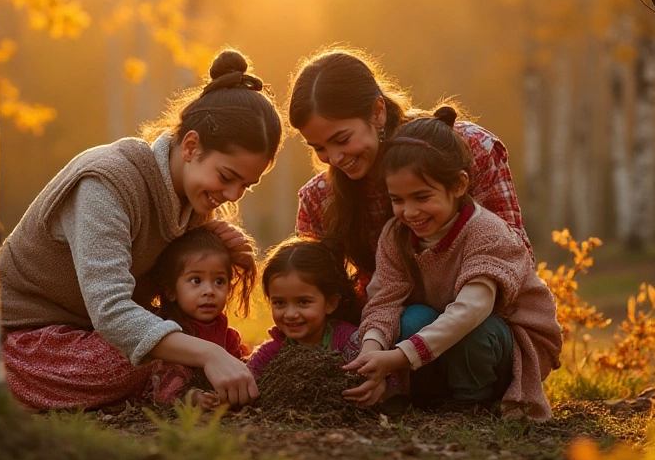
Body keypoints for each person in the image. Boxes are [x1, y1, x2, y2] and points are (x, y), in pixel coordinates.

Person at [0, 49, 282, 410]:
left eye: (245, 185)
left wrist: (217, 250)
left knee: (176, 346)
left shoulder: (192, 198)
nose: (232, 195)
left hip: (87, 333)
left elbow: (171, 289)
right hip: (30, 331)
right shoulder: (107, 183)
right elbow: (112, 312)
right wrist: (209, 356)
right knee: (132, 361)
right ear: (191, 146)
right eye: (227, 177)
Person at [343, 106, 563, 421]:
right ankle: (433, 400)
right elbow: (384, 300)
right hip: (440, 338)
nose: (410, 212)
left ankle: (473, 404)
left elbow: (472, 309)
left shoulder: (486, 232)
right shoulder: (396, 235)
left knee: (477, 329)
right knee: (414, 317)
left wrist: (399, 357)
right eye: (398, 200)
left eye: (422, 197)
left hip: (503, 342)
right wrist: (371, 350)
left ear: (458, 185)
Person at [288, 48, 530, 296]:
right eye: (319, 148)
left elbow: (514, 257)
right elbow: (315, 299)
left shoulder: (471, 149)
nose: (335, 158)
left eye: (342, 139)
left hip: (479, 310)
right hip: (382, 324)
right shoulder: (319, 200)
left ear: (377, 111)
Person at [143, 227, 255, 409]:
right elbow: (163, 388)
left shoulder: (228, 337)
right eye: (196, 280)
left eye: (219, 281)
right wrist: (193, 398)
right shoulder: (172, 336)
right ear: (171, 291)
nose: (209, 291)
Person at [245, 237, 366, 380]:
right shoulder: (272, 351)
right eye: (279, 303)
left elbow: (387, 378)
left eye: (303, 302)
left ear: (330, 303)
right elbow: (245, 379)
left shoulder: (350, 343)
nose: (290, 314)